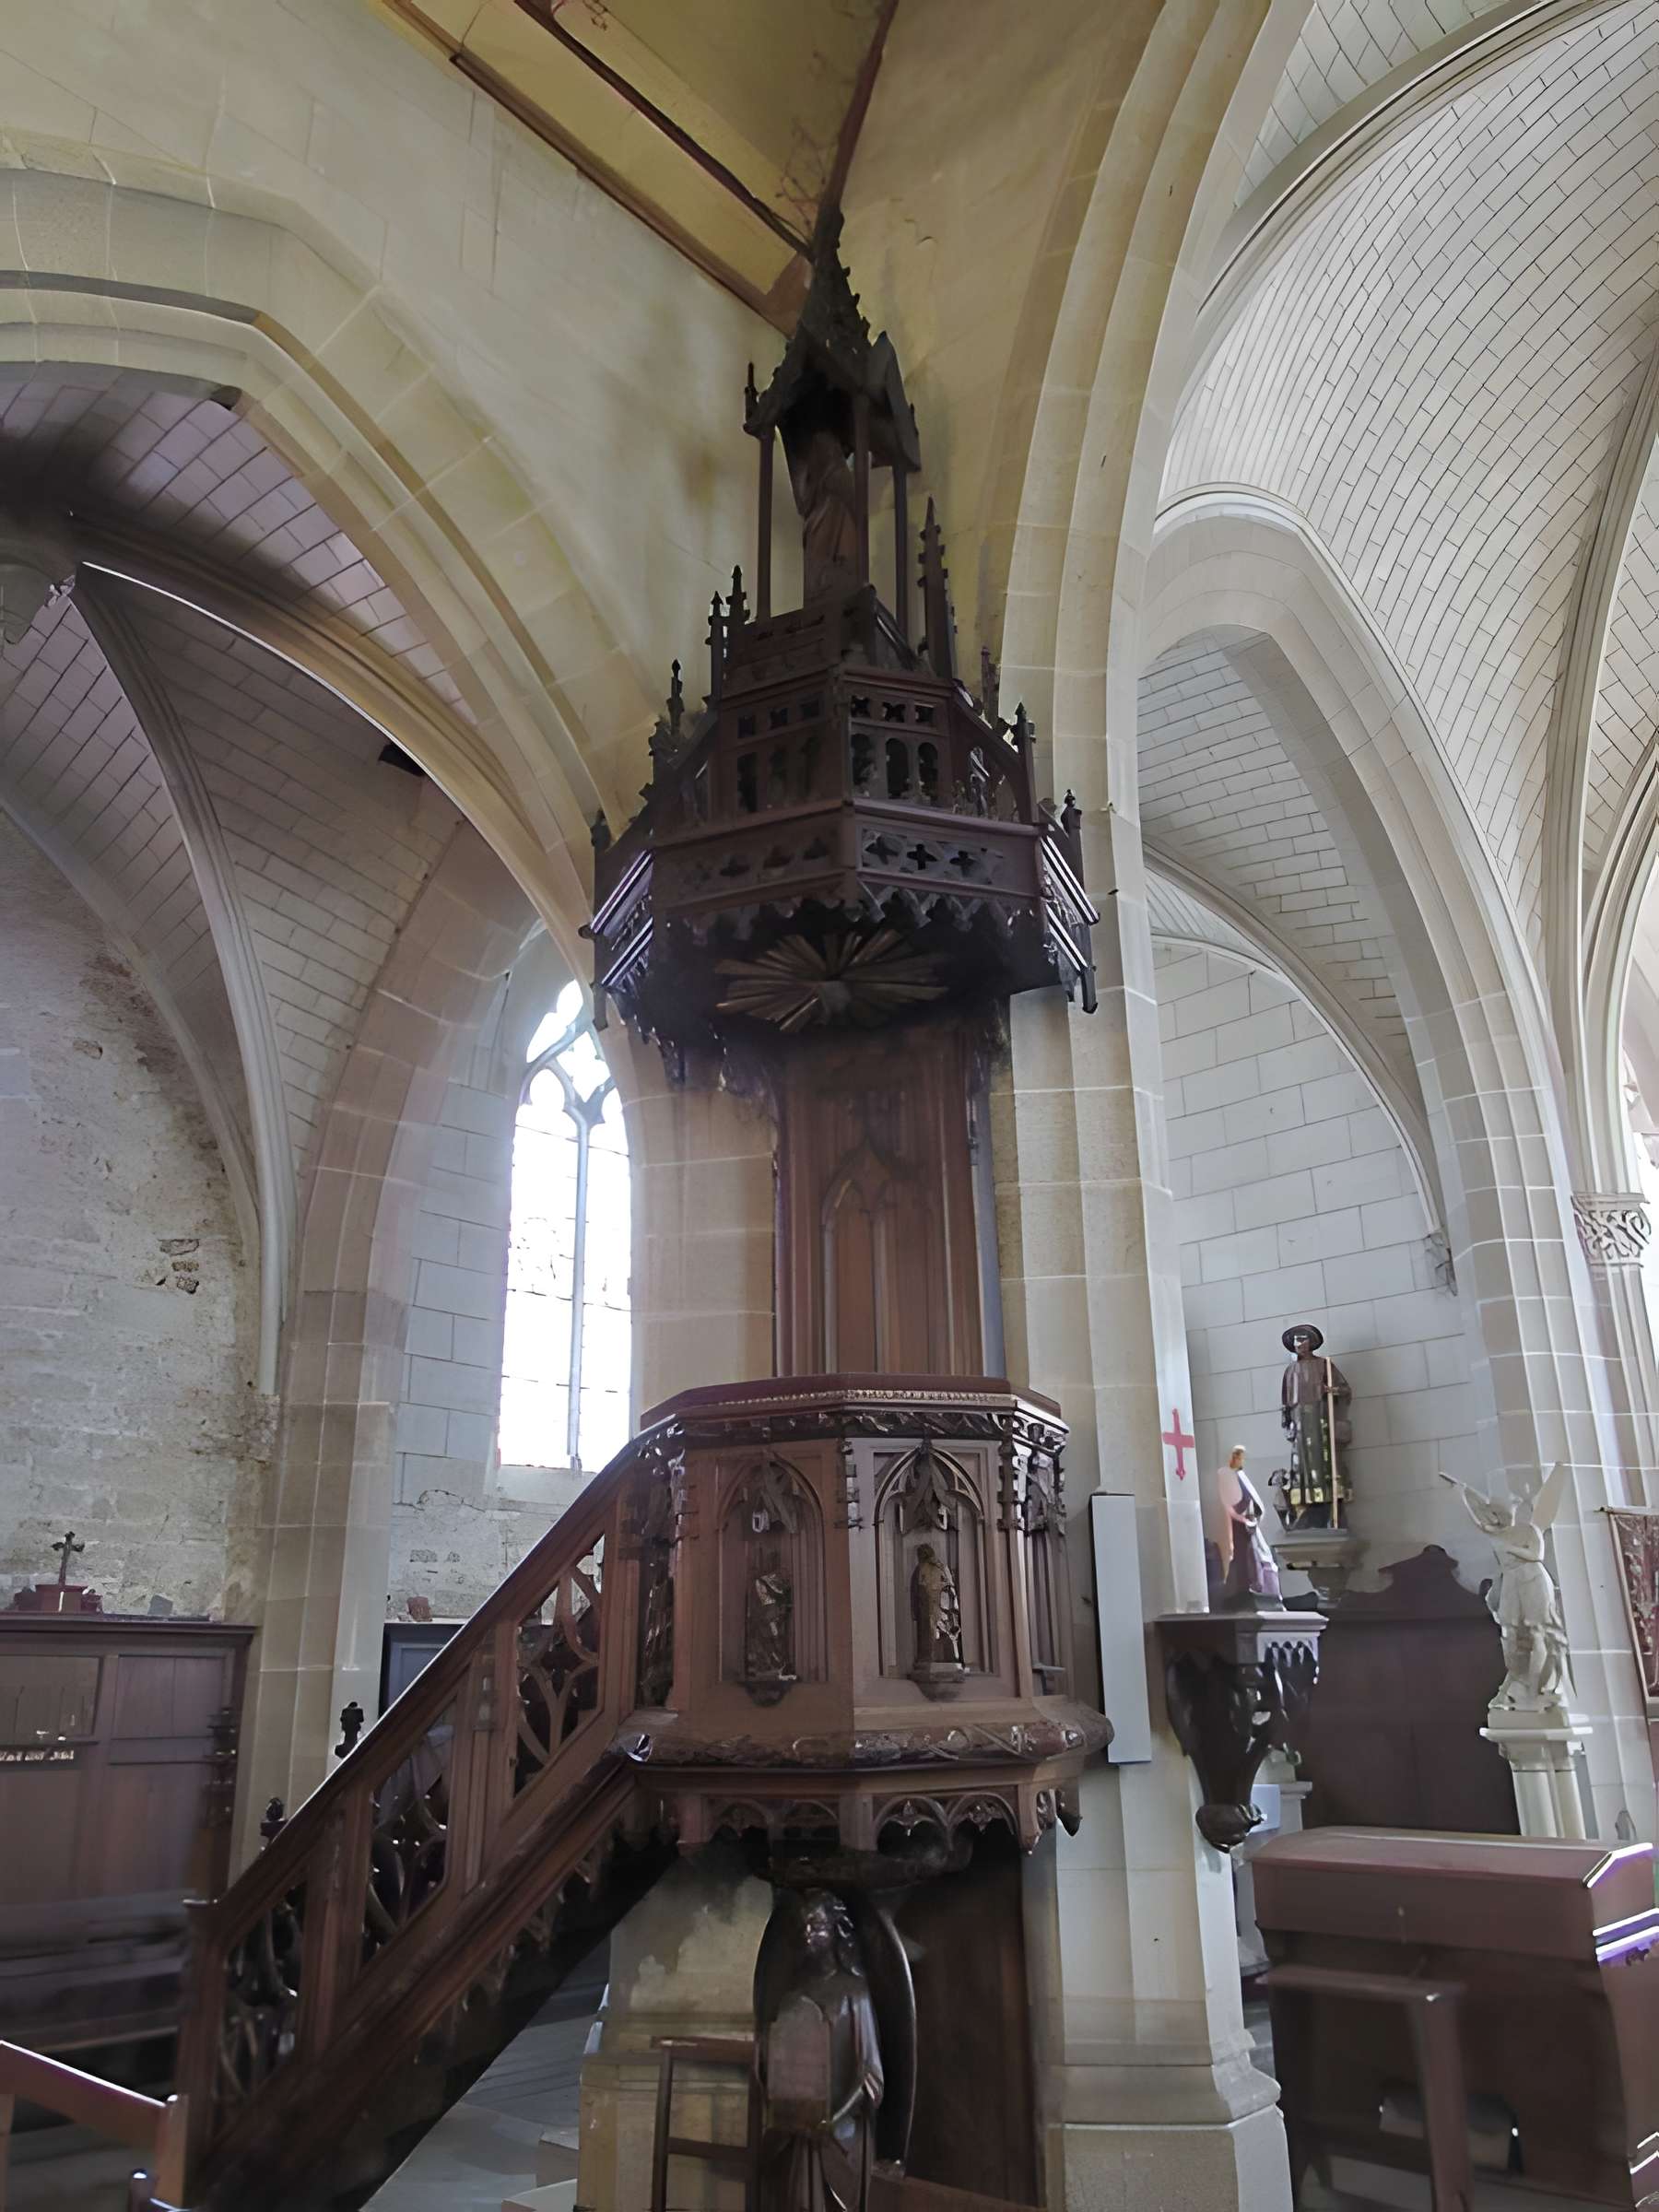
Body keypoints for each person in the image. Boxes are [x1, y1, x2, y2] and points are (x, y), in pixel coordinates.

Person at [757, 1890, 884, 2211]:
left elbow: (871, 2077)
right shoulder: (793, 1996)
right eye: (804, 1928)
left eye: (817, 1926)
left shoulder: (855, 1995)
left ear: (835, 1930)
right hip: (798, 2134)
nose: (808, 1935)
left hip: (841, 2133)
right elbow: (774, 2065)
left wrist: (832, 2120)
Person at [1276, 1324, 1351, 1528]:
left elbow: (1344, 1389)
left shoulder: (1324, 1365)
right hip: (1300, 1422)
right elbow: (1286, 1401)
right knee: (1302, 1463)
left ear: (1311, 1343)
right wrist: (1287, 1422)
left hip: (1320, 1419)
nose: (1299, 1344)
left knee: (1323, 1459)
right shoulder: (1291, 1370)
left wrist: (1331, 1389)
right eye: (1296, 1341)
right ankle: (1305, 1504)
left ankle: (1328, 1502)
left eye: (1303, 1339)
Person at [1216, 1446, 1282, 1609]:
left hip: (1250, 1523)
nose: (1239, 1459)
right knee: (1246, 1559)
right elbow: (1229, 1504)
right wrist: (1243, 1519)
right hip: (1241, 1525)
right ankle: (1247, 1588)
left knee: (1262, 1556)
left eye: (1241, 1456)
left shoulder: (1240, 1475)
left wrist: (1252, 1518)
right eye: (1237, 1456)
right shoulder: (1226, 1476)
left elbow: (1253, 1500)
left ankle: (1265, 1591)